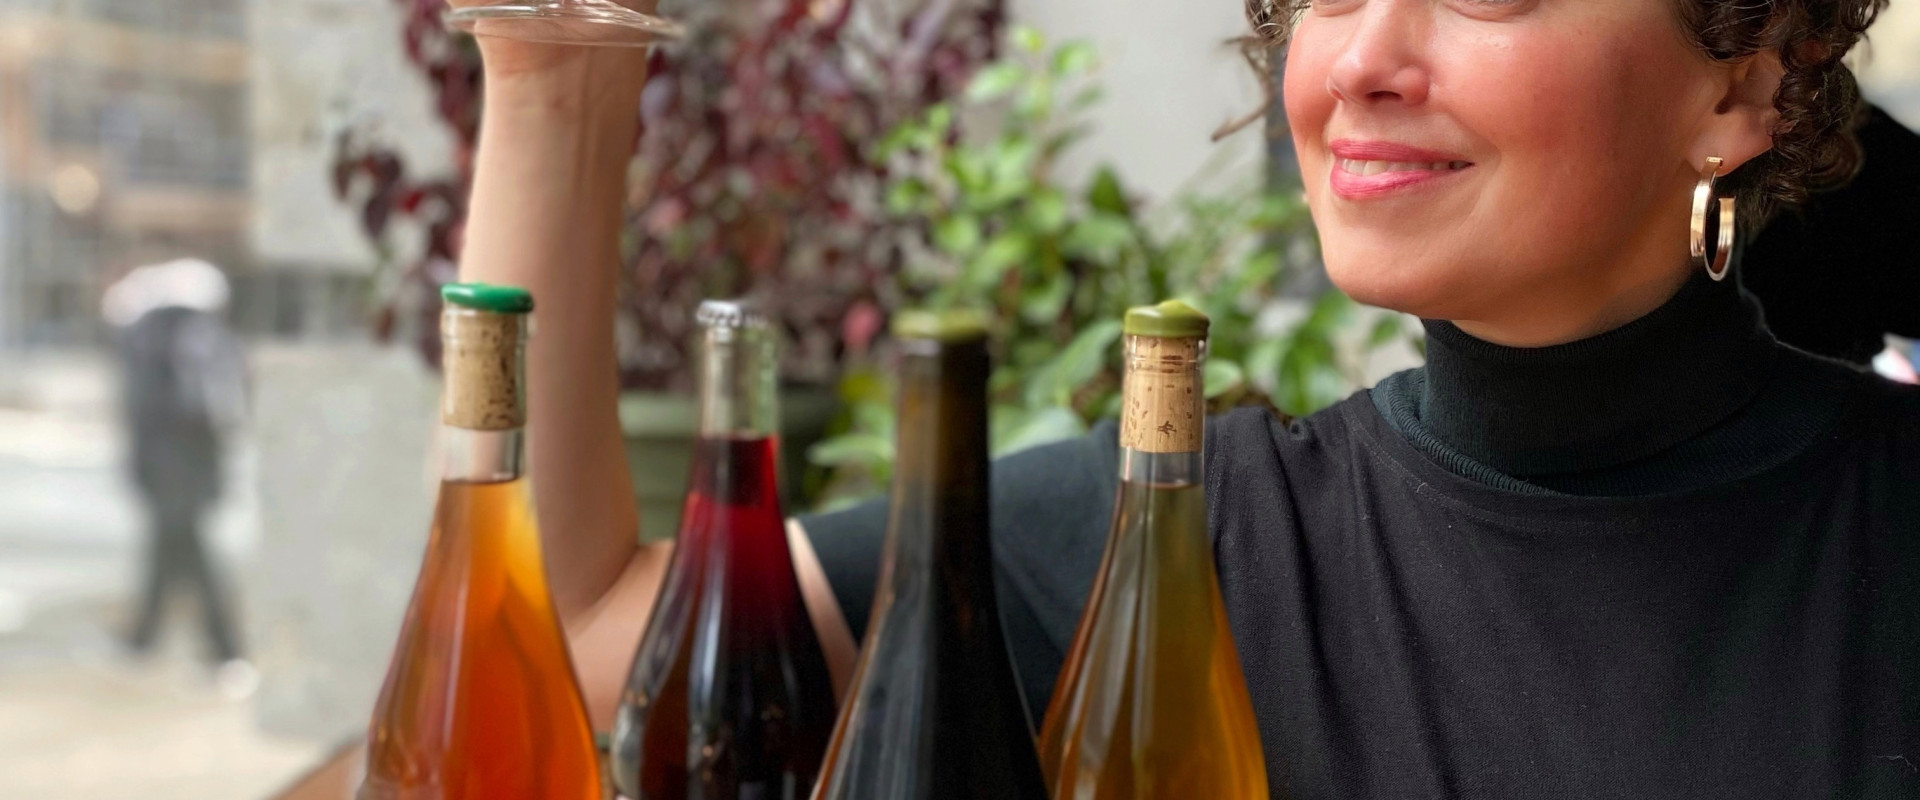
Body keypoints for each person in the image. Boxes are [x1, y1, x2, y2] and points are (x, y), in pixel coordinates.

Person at [450, 0, 1919, 796]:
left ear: (1740, 80)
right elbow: (577, 653)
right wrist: (550, 71)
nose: (1360, 61)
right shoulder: (1179, 541)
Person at [105, 257, 252, 690]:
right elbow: (209, 405)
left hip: (162, 467)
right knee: (182, 554)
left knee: (180, 552)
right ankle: (216, 648)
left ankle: (161, 640)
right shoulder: (194, 335)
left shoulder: (151, 337)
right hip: (189, 467)